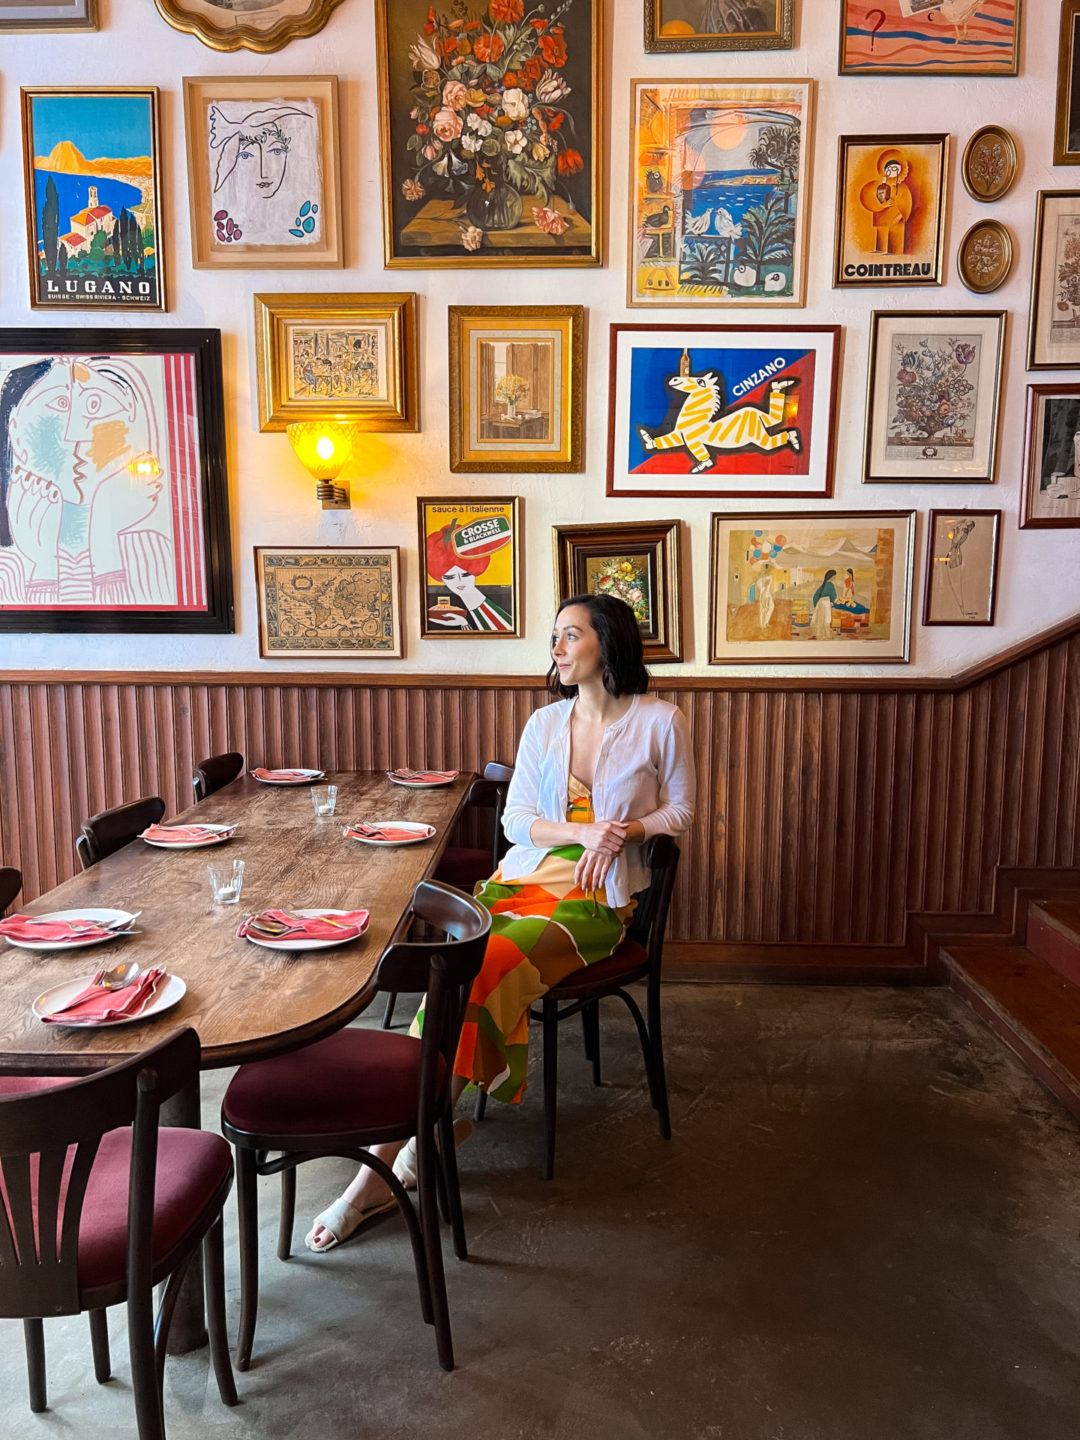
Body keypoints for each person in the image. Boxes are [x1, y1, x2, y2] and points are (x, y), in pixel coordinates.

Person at [306, 592, 696, 1251]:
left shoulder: (662, 720)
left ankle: (383, 1166)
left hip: (595, 903)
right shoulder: (544, 725)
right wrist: (584, 827)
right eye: (555, 637)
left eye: (571, 635)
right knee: (455, 966)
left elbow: (681, 812)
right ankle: (418, 1138)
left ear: (609, 642)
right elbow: (517, 822)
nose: (558, 648)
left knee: (483, 965)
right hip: (520, 882)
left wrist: (624, 831)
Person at [810, 568, 838, 640]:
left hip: (820, 604)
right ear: (832, 577)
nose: (835, 578)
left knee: (820, 620)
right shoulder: (831, 585)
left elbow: (815, 596)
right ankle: (826, 635)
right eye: (834, 577)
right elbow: (833, 595)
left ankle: (819, 634)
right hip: (826, 603)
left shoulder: (822, 585)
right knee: (826, 619)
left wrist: (816, 605)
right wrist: (832, 602)